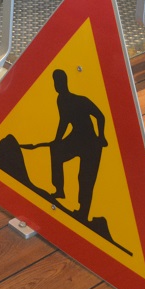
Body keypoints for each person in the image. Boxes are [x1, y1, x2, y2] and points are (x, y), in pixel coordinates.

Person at [49, 68, 107, 220]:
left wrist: (101, 136)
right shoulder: (61, 100)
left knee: (85, 177)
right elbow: (64, 121)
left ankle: (83, 212)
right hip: (76, 137)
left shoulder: (81, 100)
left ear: (64, 82)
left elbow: (100, 116)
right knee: (56, 152)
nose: (57, 85)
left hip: (91, 142)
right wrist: (57, 140)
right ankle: (59, 189)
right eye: (55, 82)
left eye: (59, 82)